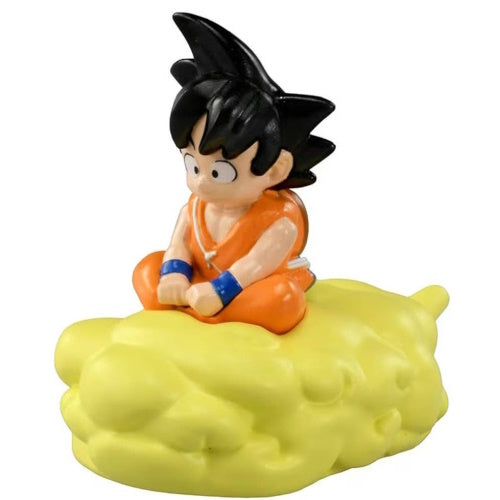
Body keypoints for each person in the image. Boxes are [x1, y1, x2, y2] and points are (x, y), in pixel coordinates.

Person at [133, 13, 335, 334]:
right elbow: (179, 244)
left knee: (281, 299)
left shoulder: (279, 222)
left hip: (249, 287)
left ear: (275, 169)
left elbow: (256, 264)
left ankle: (215, 317)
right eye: (193, 165)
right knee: (147, 270)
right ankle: (204, 313)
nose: (201, 181)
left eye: (221, 172)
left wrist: (219, 292)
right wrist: (174, 274)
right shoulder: (195, 207)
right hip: (199, 285)